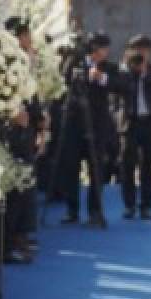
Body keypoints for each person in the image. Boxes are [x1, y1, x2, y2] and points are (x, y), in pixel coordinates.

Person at [59, 31, 119, 226]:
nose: (105, 52)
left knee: (96, 168)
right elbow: (65, 78)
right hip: (75, 123)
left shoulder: (109, 68)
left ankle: (95, 210)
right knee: (70, 167)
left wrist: (101, 78)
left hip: (97, 125)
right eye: (102, 48)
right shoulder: (76, 63)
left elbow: (121, 85)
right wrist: (79, 67)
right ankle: (71, 209)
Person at [1, 17, 44, 261]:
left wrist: (39, 119)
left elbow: (31, 93)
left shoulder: (27, 60)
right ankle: (8, 245)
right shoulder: (4, 62)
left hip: (26, 133)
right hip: (12, 135)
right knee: (14, 191)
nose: (29, 40)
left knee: (25, 188)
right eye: (25, 35)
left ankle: (20, 236)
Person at [119, 34, 151, 220]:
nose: (140, 53)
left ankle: (147, 205)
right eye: (136, 50)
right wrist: (131, 69)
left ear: (149, 51)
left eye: (143, 50)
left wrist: (145, 72)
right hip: (130, 123)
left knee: (149, 165)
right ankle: (129, 205)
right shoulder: (125, 71)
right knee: (127, 165)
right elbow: (118, 88)